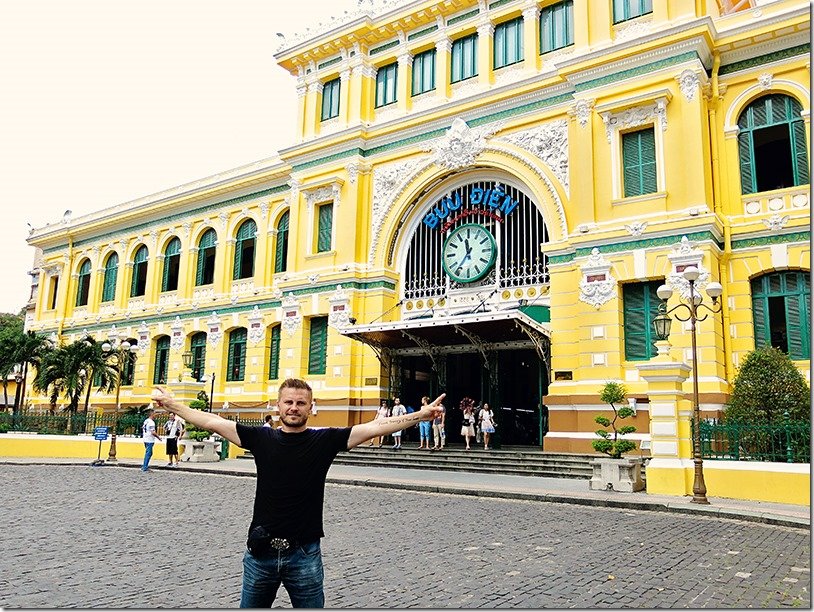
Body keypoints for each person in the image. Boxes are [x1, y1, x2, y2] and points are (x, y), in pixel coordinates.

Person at [151, 379, 444, 608]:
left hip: (304, 554)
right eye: (288, 402)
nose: (294, 407)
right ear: (278, 406)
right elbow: (211, 422)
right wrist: (172, 405)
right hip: (260, 553)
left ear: (310, 407)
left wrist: (420, 414)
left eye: (301, 403)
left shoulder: (325, 440)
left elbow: (374, 426)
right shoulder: (260, 438)